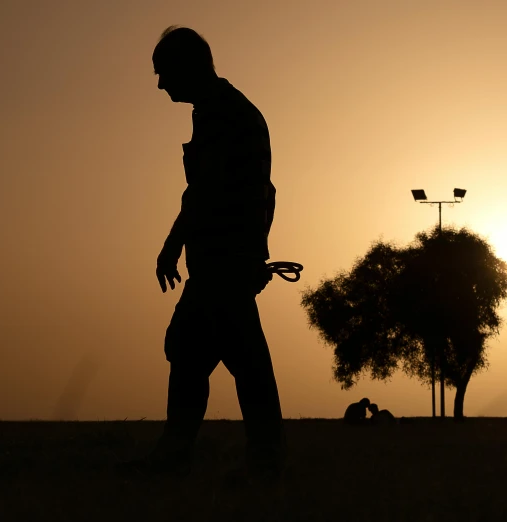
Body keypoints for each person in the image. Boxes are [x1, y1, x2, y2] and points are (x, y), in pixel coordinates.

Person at [145, 26, 284, 479]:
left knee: (222, 355)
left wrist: (173, 245)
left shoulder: (224, 116)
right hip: (225, 260)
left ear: (188, 67)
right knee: (202, 352)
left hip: (223, 263)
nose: (161, 84)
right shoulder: (222, 112)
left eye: (164, 72)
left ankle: (250, 462)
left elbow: (205, 191)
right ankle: (256, 460)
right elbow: (261, 193)